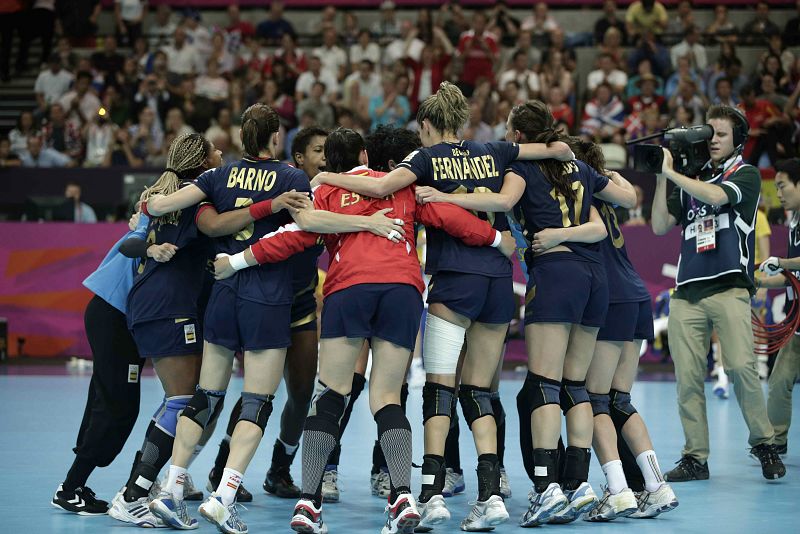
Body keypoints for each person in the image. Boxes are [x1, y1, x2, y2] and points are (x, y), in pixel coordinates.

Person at [212, 127, 517, 534]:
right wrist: (497, 237)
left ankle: (309, 501)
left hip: (349, 288)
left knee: (332, 393)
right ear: (367, 156)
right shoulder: (405, 188)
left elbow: (291, 236)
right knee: (388, 397)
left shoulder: (327, 193)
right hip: (402, 290)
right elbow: (449, 217)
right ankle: (402, 496)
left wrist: (235, 263)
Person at [312, 83, 574, 532]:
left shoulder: (425, 158)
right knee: (482, 391)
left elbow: (391, 184)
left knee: (439, 389)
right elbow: (562, 149)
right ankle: (490, 494)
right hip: (497, 282)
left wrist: (327, 177)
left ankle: (430, 493)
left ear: (428, 125)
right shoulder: (494, 149)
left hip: (454, 283)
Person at [143, 104, 404, 534]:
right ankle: (225, 495)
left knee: (207, 396)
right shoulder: (290, 178)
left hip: (223, 292)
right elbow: (311, 223)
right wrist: (368, 224)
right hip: (267, 297)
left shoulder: (215, 176)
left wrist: (148, 203)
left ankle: (170, 489)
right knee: (256, 401)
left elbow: (161, 204)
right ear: (276, 139)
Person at [416, 101, 636, 526]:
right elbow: (623, 200)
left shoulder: (519, 168)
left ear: (517, 136)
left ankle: (545, 486)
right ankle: (578, 484)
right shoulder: (578, 168)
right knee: (576, 385)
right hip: (595, 279)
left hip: (554, 275)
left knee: (544, 386)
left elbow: (501, 201)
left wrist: (442, 194)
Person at [650, 105, 786, 482]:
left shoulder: (746, 174)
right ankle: (696, 457)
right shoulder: (691, 176)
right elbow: (660, 225)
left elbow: (714, 197)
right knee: (688, 378)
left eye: (721, 134)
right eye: (709, 133)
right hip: (687, 292)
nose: (712, 141)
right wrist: (663, 178)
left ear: (738, 141)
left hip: (729, 287)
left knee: (741, 366)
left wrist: (674, 173)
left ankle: (764, 443)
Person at [107, 134, 222, 528]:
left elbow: (134, 238)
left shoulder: (159, 196)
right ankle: (133, 494)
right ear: (203, 161)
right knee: (182, 401)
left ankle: (148, 485)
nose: (222, 157)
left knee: (181, 400)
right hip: (168, 306)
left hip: (153, 303)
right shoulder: (194, 199)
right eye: (217, 152)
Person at [570, 138, 678, 521]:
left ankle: (617, 490)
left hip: (610, 298)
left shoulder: (577, 191)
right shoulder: (612, 189)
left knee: (596, 398)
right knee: (619, 399)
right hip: (635, 296)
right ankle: (655, 486)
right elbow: (633, 195)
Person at [51, 210, 153, 515]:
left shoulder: (159, 216)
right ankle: (69, 488)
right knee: (117, 406)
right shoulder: (155, 220)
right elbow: (131, 245)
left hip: (120, 318)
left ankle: (75, 485)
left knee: (106, 401)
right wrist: (151, 246)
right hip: (113, 316)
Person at [759, 158, 800, 457]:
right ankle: (776, 441)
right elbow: (790, 277)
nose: (779, 194)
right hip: (797, 321)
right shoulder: (793, 222)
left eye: (783, 186)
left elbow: (788, 266)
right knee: (779, 382)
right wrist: (755, 282)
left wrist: (782, 263)